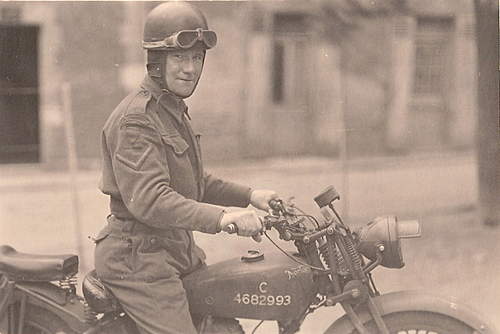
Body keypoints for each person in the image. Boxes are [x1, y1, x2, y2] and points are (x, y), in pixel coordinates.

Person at [93, 2, 278, 333]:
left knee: (222, 324)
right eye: (179, 57)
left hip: (173, 249)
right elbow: (151, 199)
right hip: (137, 259)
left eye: (196, 58)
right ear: (156, 61)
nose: (189, 68)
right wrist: (223, 218)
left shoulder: (171, 110)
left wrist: (251, 195)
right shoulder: (136, 119)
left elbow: (193, 181)